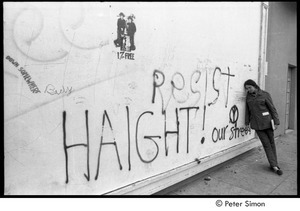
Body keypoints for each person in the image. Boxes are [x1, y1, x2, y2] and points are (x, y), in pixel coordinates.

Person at [244, 79, 283, 175]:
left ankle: (274, 163)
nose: (248, 90)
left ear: (255, 86)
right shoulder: (248, 97)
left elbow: (272, 109)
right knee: (266, 144)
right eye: (247, 88)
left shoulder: (265, 94)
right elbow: (247, 111)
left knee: (271, 143)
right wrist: (246, 123)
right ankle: (274, 166)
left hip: (268, 123)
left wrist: (277, 122)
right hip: (257, 125)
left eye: (250, 87)